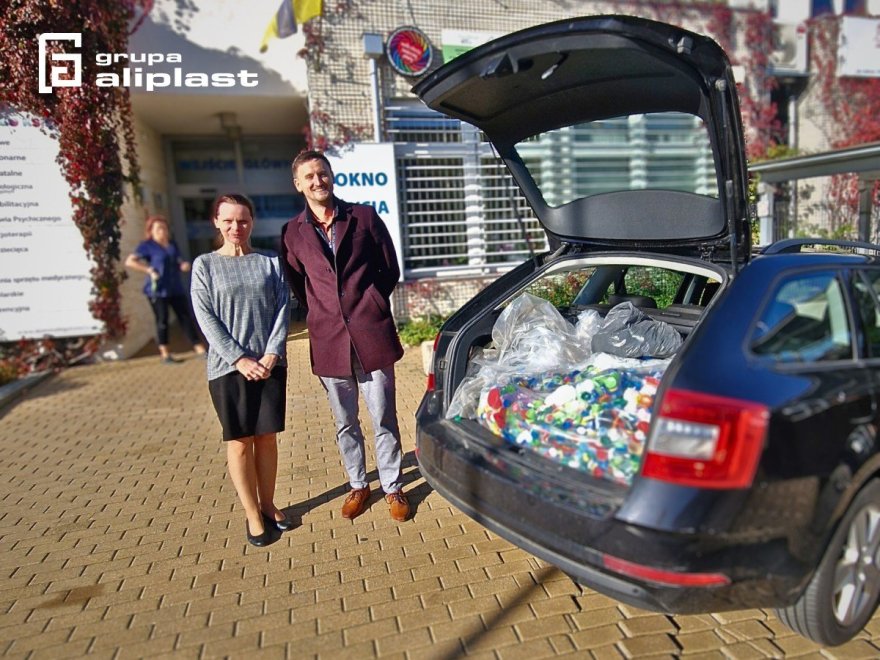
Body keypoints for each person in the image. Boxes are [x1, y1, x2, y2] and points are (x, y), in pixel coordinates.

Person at [281, 149, 410, 523]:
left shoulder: (363, 216)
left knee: (383, 417)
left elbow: (389, 268)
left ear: (331, 175)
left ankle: (392, 487)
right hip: (329, 340)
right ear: (298, 184)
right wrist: (325, 312)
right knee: (345, 422)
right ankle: (358, 485)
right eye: (309, 177)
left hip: (371, 334)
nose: (317, 181)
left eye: (322, 173)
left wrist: (369, 302)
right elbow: (298, 283)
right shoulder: (291, 233)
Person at [190, 194, 293, 547]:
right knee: (239, 443)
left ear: (252, 222)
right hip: (228, 369)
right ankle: (252, 514)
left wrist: (272, 353)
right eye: (229, 220)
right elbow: (206, 317)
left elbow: (283, 308)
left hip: (269, 365)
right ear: (216, 222)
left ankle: (268, 504)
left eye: (243, 220)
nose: (237, 227)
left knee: (266, 438)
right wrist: (239, 358)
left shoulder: (270, 261)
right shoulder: (205, 265)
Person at [124, 215, 207, 363]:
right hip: (157, 290)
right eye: (158, 228)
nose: (162, 231)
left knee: (186, 318)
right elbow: (130, 261)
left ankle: (199, 349)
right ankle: (165, 353)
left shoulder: (172, 244)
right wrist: (149, 270)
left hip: (175, 288)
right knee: (162, 321)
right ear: (151, 231)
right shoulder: (147, 246)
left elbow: (178, 261)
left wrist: (182, 265)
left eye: (164, 228)